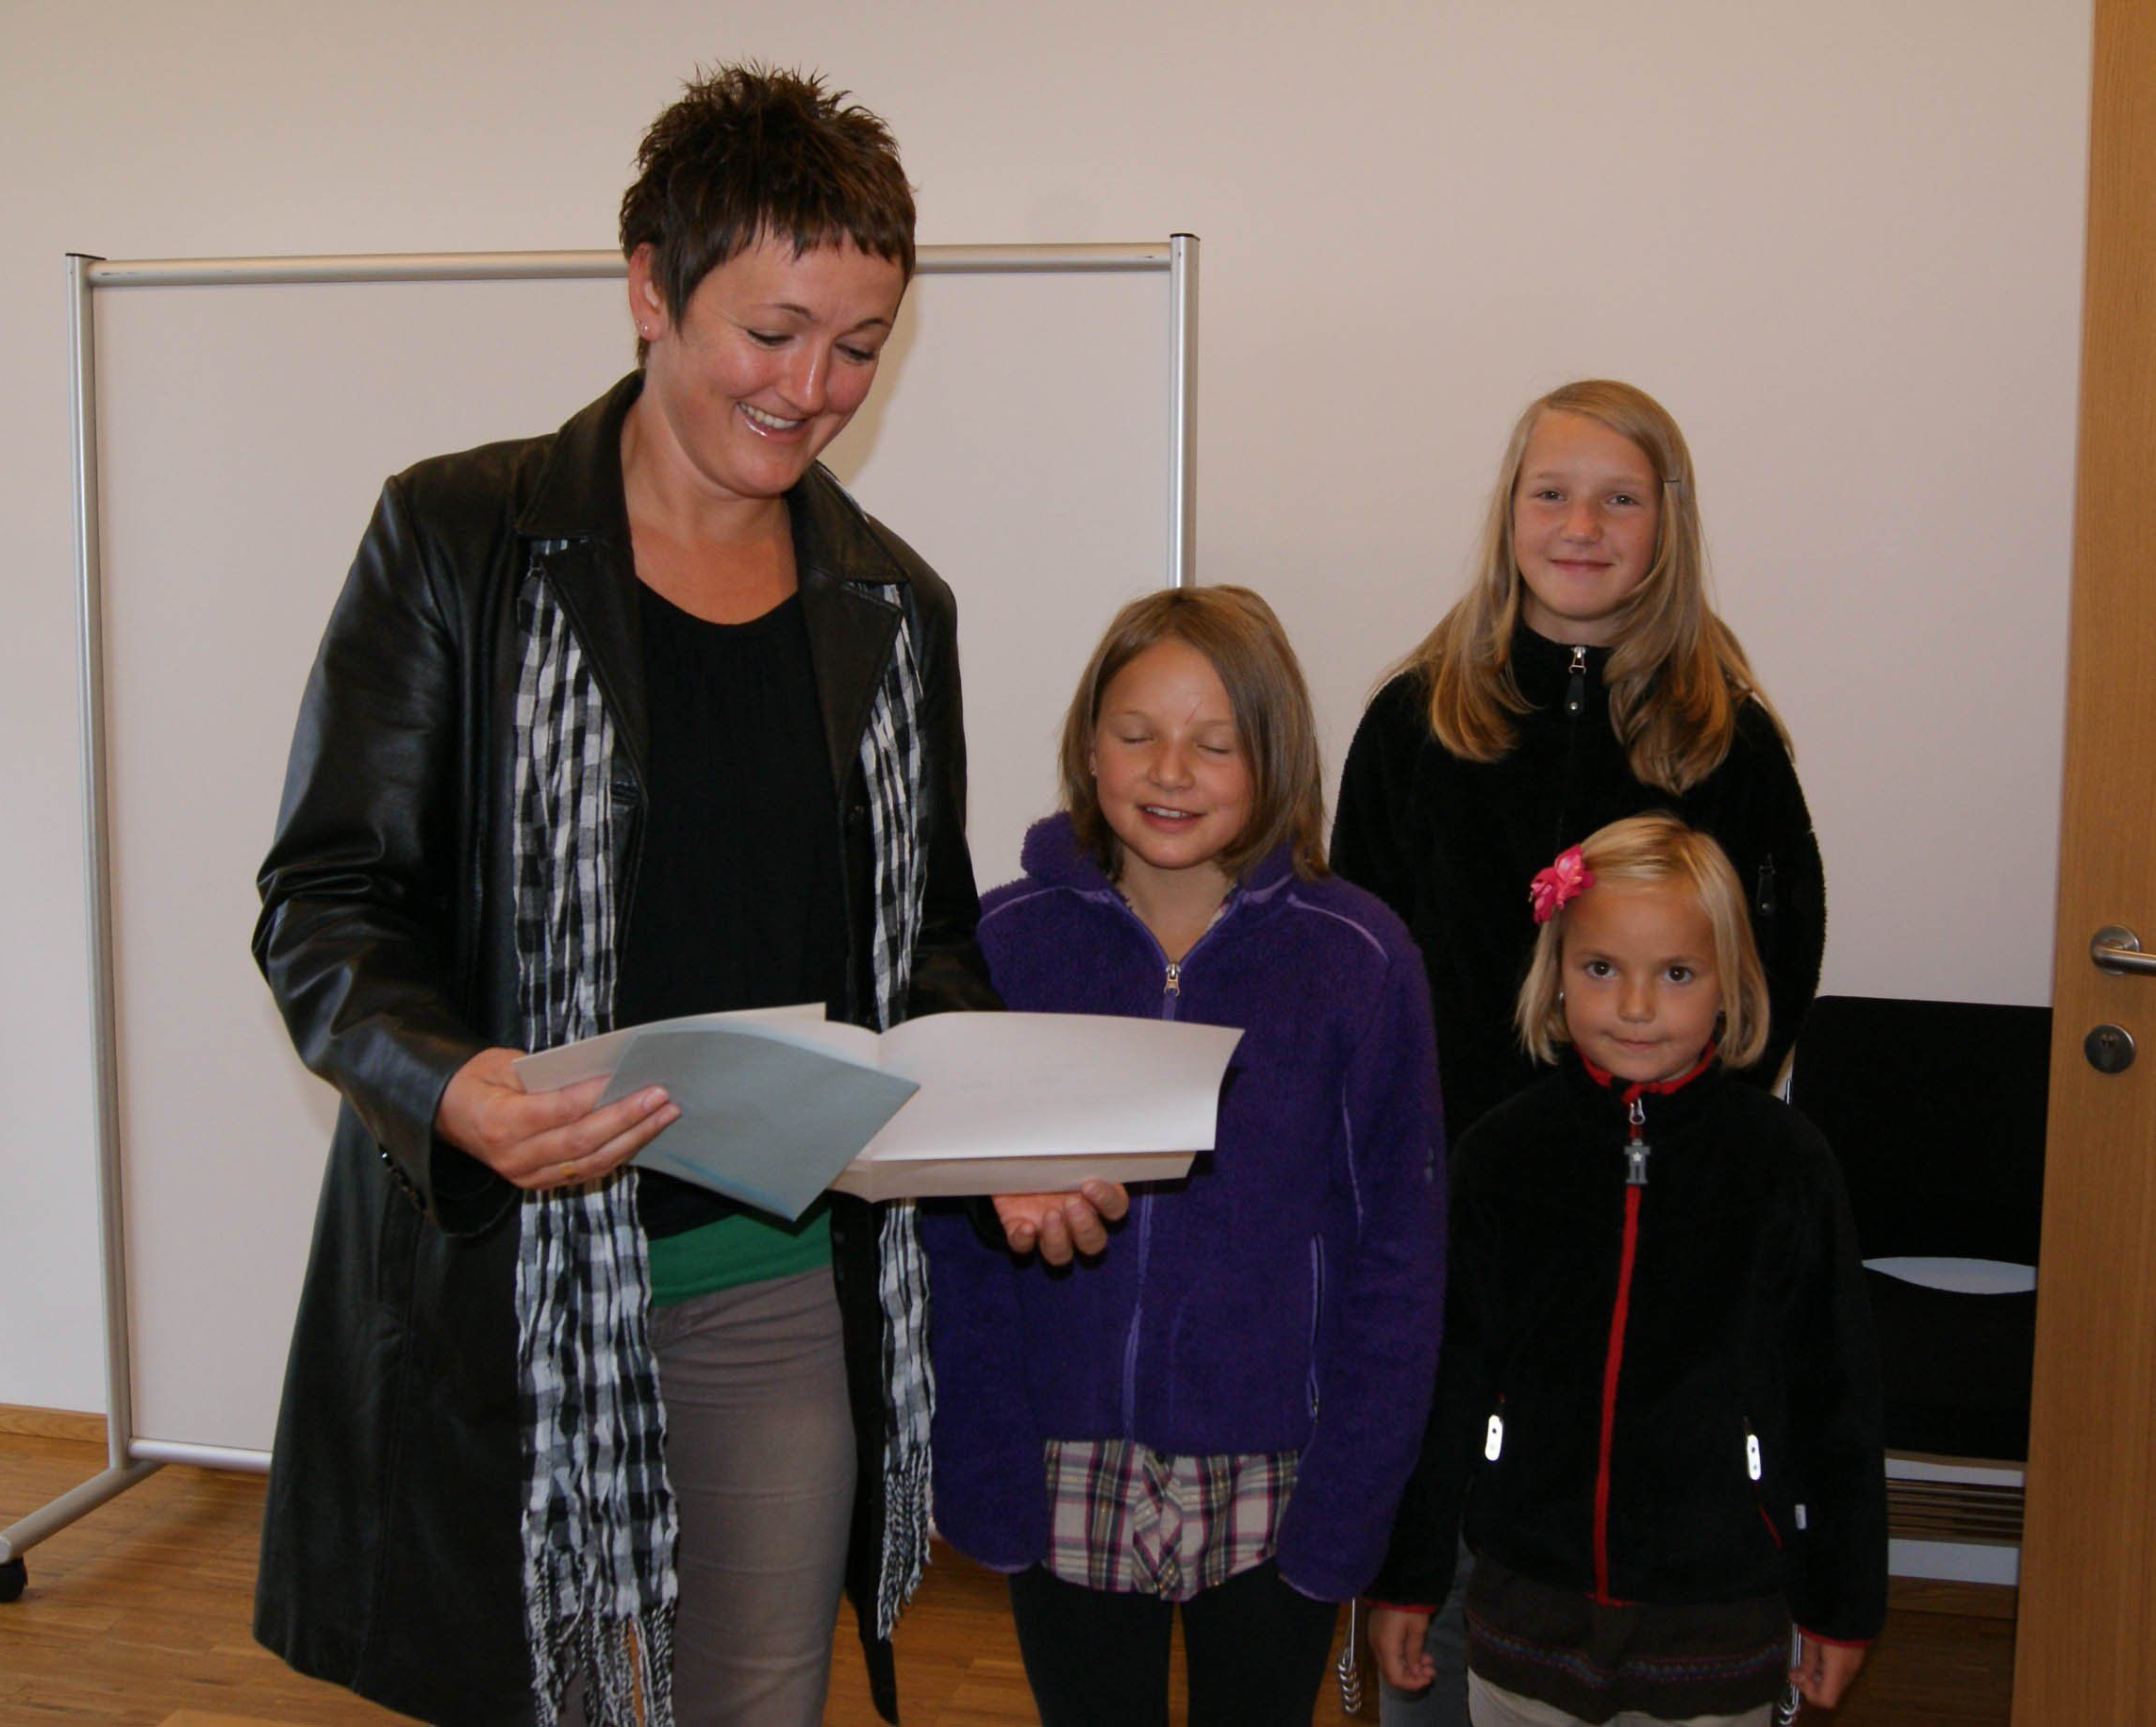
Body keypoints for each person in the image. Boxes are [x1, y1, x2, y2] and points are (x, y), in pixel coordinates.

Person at [249, 64, 1111, 1727]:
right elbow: (325, 901)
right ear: (650, 284)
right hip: (504, 1285)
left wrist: (1003, 1133)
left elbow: (923, 949)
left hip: (768, 1277)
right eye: (772, 332)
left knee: (756, 1696)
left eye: (857, 346)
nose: (813, 388)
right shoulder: (459, 538)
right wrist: (453, 1082)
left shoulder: (890, 606)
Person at [1329, 379, 1826, 1720]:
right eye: (1550, 492)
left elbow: (1775, 964)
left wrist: (1691, 1151)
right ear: (1508, 512)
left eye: (1619, 497)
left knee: (1614, 1519)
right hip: (1453, 1207)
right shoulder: (1413, 722)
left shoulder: (1726, 740)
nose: (1580, 525)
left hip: (1658, 1227)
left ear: (1669, 522)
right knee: (1441, 1506)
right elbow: (1355, 971)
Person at [922, 587, 1449, 1726]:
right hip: (1059, 1459)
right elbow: (952, 1242)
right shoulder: (1002, 946)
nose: (1170, 771)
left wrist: (1353, 1498)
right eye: (1136, 733)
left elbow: (1398, 1257)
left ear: (1275, 758)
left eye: (1214, 743)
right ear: (1086, 744)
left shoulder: (1357, 959)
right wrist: (980, 1457)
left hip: (1278, 1470)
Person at [1368, 815, 1884, 1727]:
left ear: (1730, 985)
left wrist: (1840, 1604)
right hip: (1526, 1600)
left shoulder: (1784, 1166)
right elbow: (1443, 1384)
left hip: (1718, 1608)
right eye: (1601, 967)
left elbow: (1835, 1401)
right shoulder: (1499, 1156)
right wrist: (1408, 1578)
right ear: (1555, 974)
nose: (1635, 1005)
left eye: (1675, 973)